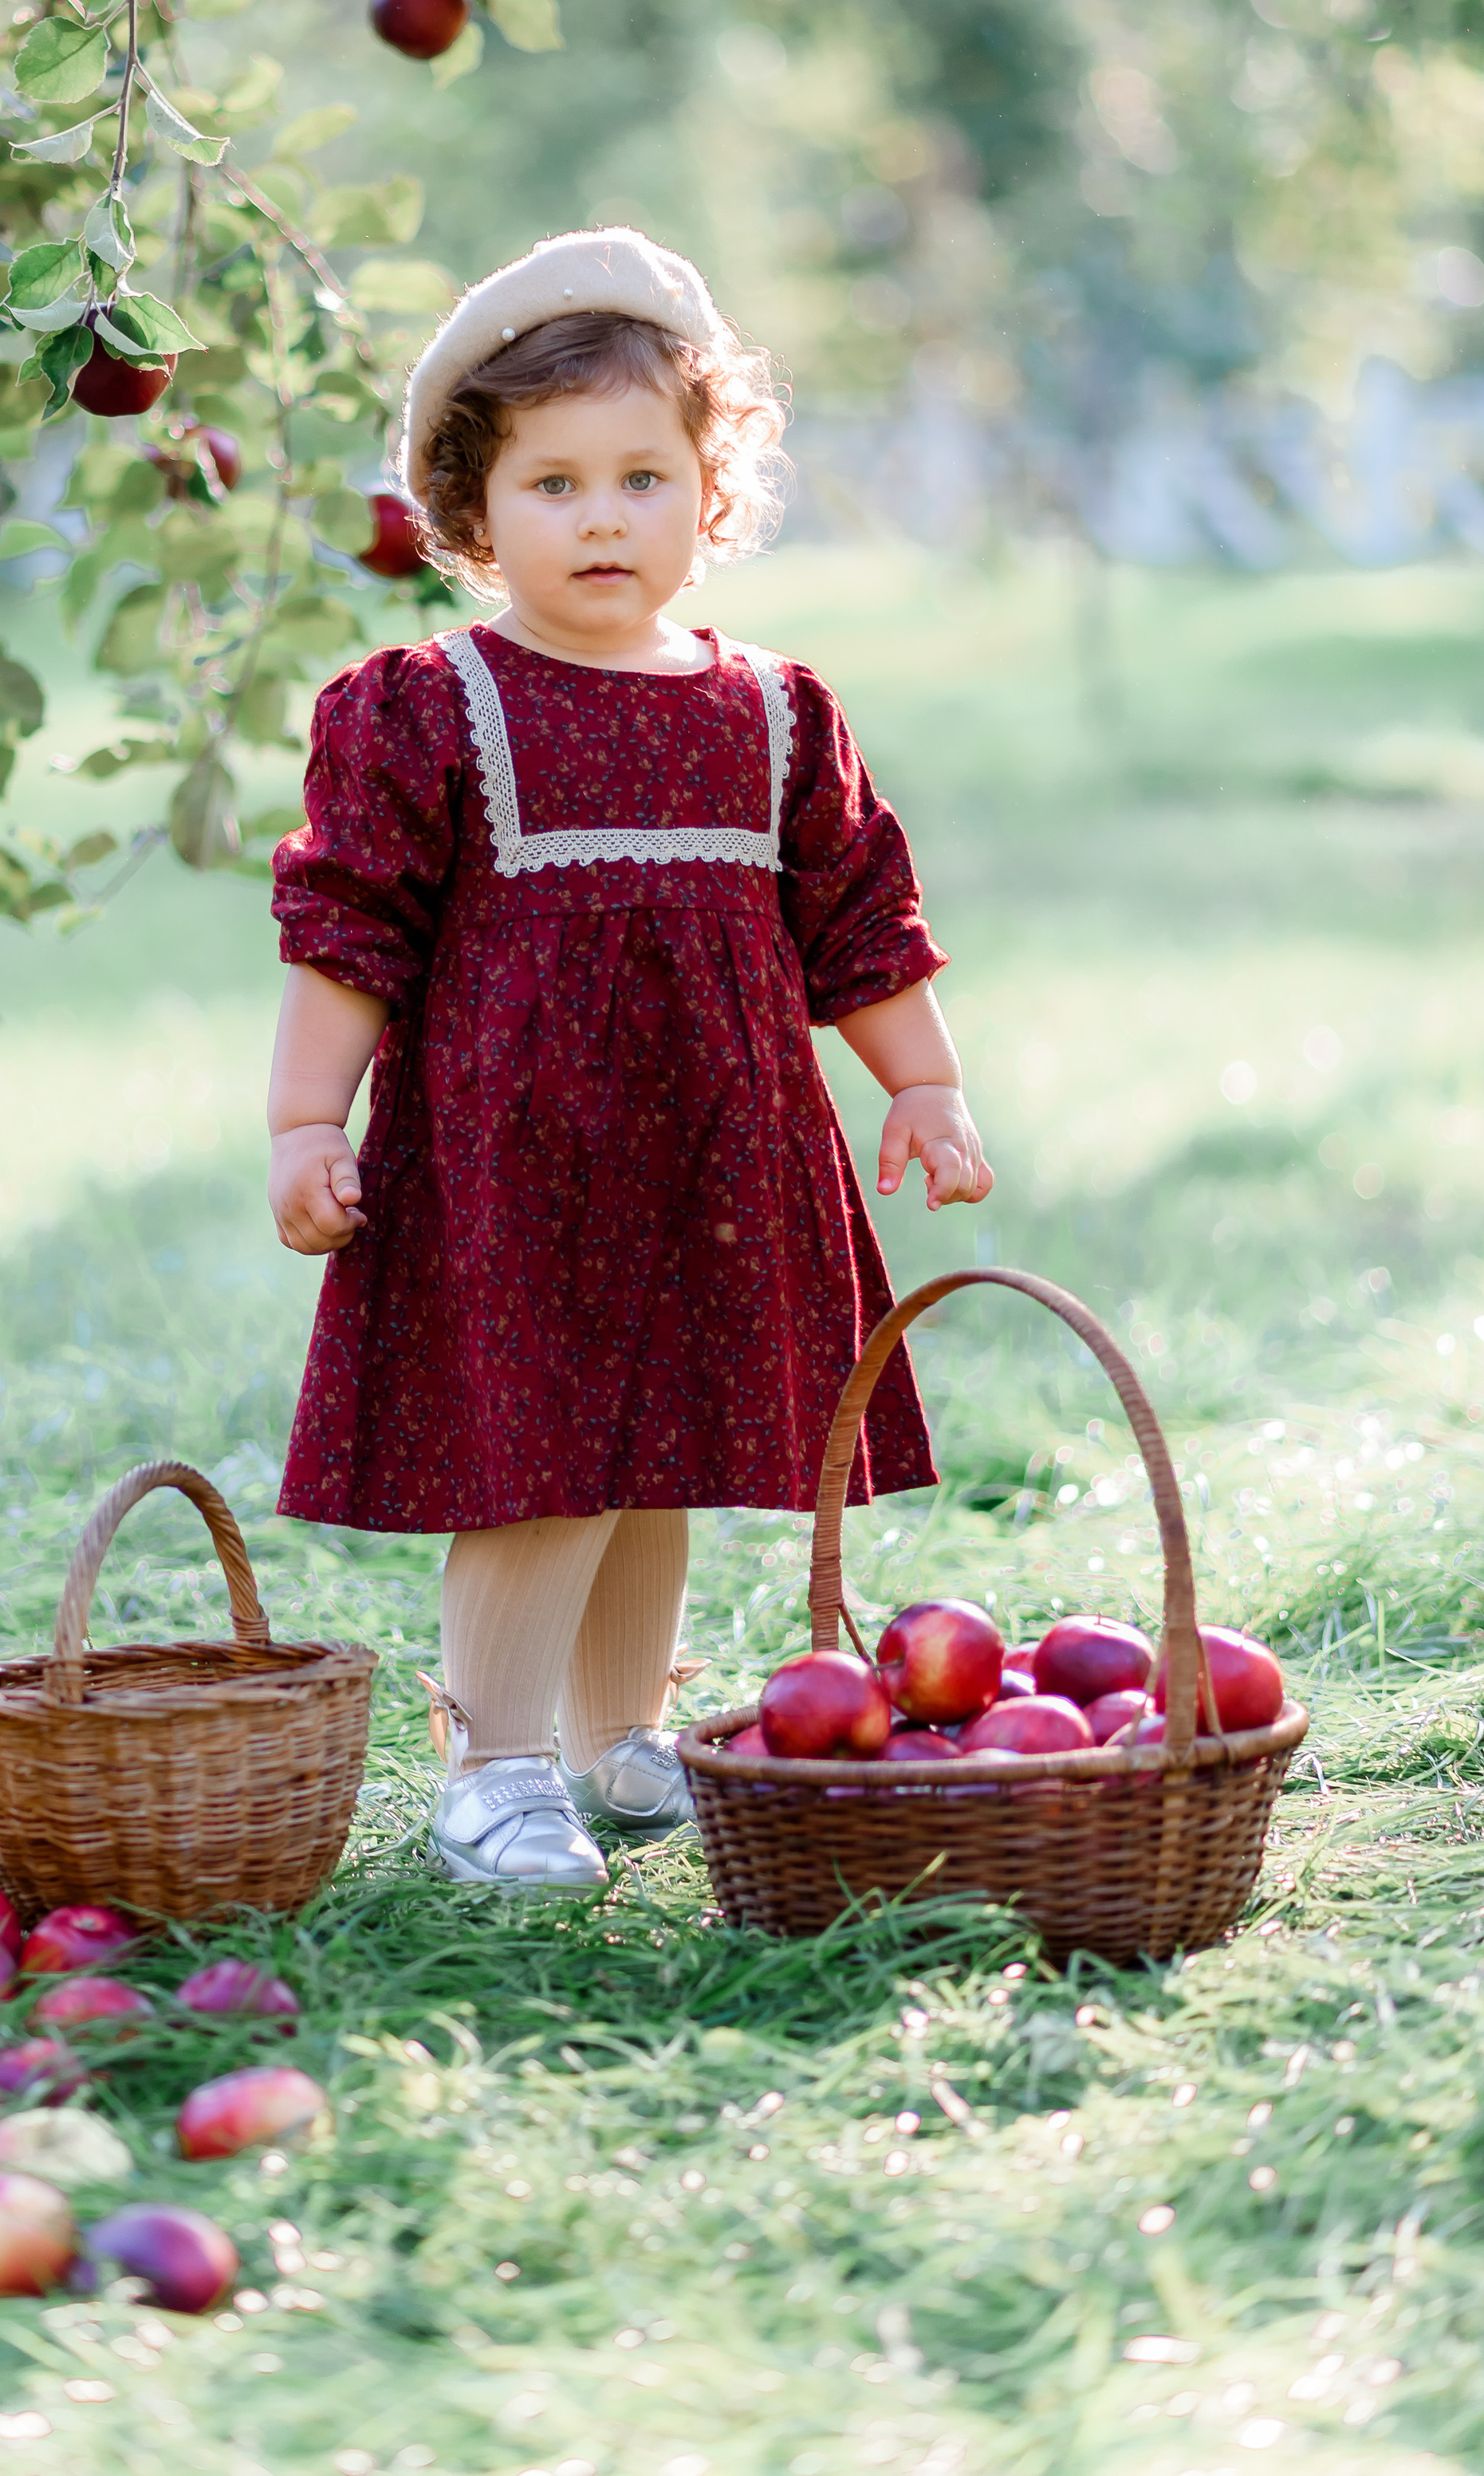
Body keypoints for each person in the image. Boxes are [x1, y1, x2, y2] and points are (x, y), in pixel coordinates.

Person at [266, 228, 992, 1888]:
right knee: (541, 1466)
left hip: (709, 1161)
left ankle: (615, 1734)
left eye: (642, 479)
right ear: (473, 509)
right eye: (554, 485)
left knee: (662, 1453)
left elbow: (860, 921)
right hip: (514, 1168)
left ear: (709, 490)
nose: (603, 519)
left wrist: (925, 1083)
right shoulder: (436, 706)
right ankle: (492, 1764)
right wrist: (307, 1120)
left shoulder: (773, 711)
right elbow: (347, 930)